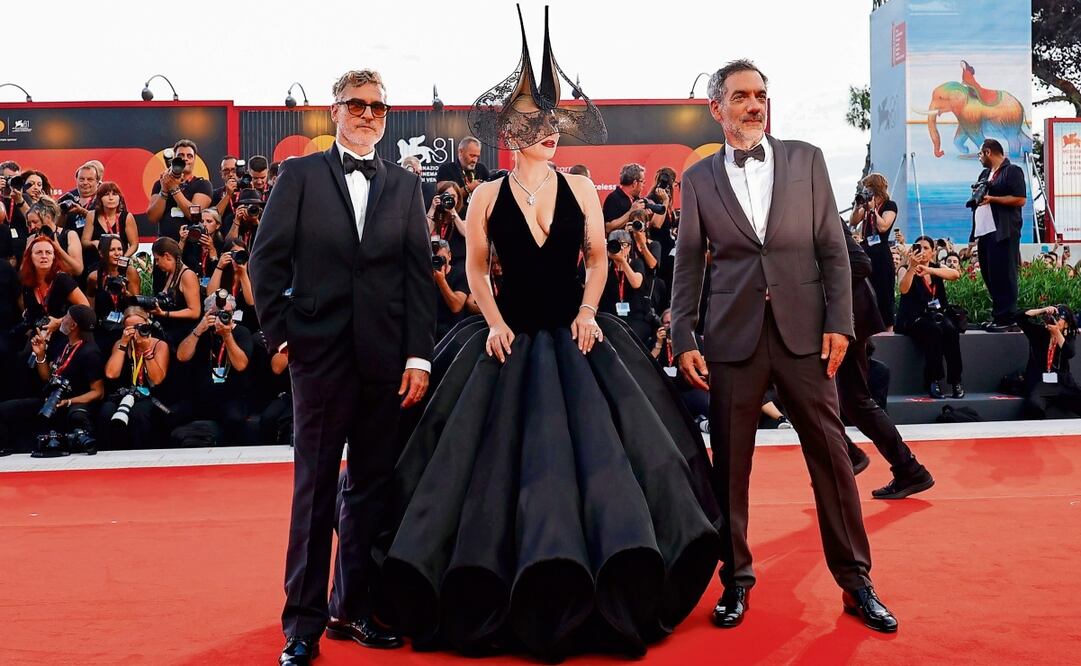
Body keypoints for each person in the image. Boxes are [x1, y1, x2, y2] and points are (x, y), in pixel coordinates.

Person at [370, 8, 720, 661]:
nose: (551, 131)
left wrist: (590, 311)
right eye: (537, 121)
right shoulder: (482, 198)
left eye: (554, 121)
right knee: (482, 473)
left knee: (610, 465)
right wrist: (496, 322)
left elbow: (594, 259)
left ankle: (611, 585)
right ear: (512, 131)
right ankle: (491, 589)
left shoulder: (582, 191)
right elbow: (474, 268)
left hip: (578, 339)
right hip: (504, 342)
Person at [670, 59, 896, 633]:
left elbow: (832, 251)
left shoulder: (807, 160)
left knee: (833, 461)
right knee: (731, 471)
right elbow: (689, 263)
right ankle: (736, 582)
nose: (755, 105)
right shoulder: (697, 180)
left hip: (805, 336)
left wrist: (840, 323)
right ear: (717, 109)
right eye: (741, 96)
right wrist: (682, 336)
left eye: (761, 95)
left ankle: (857, 582)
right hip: (730, 338)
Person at [249, 68, 436, 666]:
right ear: (334, 111)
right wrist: (281, 337)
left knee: (371, 490)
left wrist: (417, 355)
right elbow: (266, 262)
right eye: (357, 104)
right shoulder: (299, 175)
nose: (368, 114)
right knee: (315, 490)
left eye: (378, 107)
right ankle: (300, 624)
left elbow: (415, 278)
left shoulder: (406, 187)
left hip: (386, 361)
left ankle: (351, 608)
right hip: (320, 357)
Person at [838, 223, 935, 498]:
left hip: (844, 319)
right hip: (836, 319)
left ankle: (854, 455)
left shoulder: (814, 206)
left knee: (848, 400)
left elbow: (860, 263)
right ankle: (907, 469)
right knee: (852, 401)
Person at [0, 304, 103, 455]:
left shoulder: (90, 353)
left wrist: (68, 402)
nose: (62, 320)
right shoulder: (64, 344)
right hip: (50, 401)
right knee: (4, 410)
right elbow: (47, 378)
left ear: (73, 325)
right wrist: (41, 355)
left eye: (66, 316)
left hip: (69, 405)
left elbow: (98, 392)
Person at [896, 235, 964, 398]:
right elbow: (903, 289)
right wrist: (913, 268)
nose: (923, 251)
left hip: (937, 315)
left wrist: (929, 270)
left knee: (951, 330)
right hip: (914, 317)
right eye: (919, 247)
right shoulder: (905, 268)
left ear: (933, 252)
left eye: (926, 248)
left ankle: (956, 380)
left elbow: (955, 275)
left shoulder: (936, 268)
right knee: (933, 332)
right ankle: (933, 380)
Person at [970, 138, 1026, 332]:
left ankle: (1008, 318)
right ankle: (998, 315)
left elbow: (1020, 199)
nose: (979, 158)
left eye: (979, 154)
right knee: (990, 274)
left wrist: (993, 198)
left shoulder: (1012, 171)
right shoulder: (986, 173)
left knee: (1004, 274)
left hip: (1003, 230)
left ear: (988, 152)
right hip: (985, 231)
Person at [99, 306, 170, 449]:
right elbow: (111, 374)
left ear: (147, 324)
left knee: (139, 414)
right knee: (107, 411)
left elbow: (157, 379)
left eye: (140, 326)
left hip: (149, 395)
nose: (136, 331)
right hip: (125, 392)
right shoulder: (120, 344)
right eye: (131, 328)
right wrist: (124, 343)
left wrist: (146, 351)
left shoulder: (160, 345)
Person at [17, 236, 90, 344]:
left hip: (66, 334)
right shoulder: (27, 282)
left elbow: (85, 307)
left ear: (54, 257)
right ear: (30, 257)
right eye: (39, 252)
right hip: (40, 334)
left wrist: (60, 322)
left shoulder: (62, 279)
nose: (44, 256)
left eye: (48, 252)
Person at [849, 172, 898, 330]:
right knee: (866, 290)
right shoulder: (866, 204)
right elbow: (853, 221)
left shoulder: (890, 205)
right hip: (866, 251)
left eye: (868, 188)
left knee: (884, 292)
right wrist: (858, 206)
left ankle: (888, 328)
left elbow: (883, 226)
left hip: (881, 253)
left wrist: (872, 211)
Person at [1016, 305, 1081, 419]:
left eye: (1058, 318)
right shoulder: (1038, 332)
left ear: (1066, 324)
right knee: (1034, 406)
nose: (1054, 320)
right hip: (1041, 382)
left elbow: (1069, 353)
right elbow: (1019, 317)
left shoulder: (1068, 336)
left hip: (1063, 382)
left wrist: (1057, 333)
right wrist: (1042, 310)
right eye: (1053, 317)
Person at [147, 139, 214, 240]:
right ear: (174, 159)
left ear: (194, 160)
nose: (185, 159)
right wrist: (164, 190)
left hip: (192, 244)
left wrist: (174, 188)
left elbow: (194, 216)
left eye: (189, 156)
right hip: (165, 244)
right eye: (181, 156)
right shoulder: (160, 184)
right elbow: (152, 217)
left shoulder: (203, 184)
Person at [86, 235, 142, 349]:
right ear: (102, 253)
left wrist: (127, 294)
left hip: (125, 329)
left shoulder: (130, 272)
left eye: (119, 249)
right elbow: (89, 299)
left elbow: (137, 304)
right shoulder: (94, 277)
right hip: (103, 330)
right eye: (112, 250)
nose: (117, 253)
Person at [148, 237, 202, 344]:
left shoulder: (187, 276)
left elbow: (195, 312)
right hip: (168, 333)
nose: (157, 264)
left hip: (183, 336)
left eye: (157, 259)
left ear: (167, 256)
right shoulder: (169, 274)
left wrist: (165, 314)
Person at [81, 182, 139, 272]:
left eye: (114, 194)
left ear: (119, 198)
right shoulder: (92, 215)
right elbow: (84, 241)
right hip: (97, 263)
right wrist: (94, 243)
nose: (111, 198)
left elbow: (134, 244)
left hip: (120, 262)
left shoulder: (127, 217)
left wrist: (123, 258)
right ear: (100, 199)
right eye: (107, 194)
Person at [26, 198, 84, 277]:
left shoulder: (70, 235)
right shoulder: (31, 238)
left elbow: (78, 270)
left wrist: (58, 249)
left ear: (48, 218)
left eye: (35, 222)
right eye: (29, 223)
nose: (32, 227)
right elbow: (25, 270)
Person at [435, 135, 490, 215]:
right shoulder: (446, 169)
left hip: (478, 216)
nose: (475, 160)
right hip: (454, 218)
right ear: (460, 152)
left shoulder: (481, 169)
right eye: (472, 156)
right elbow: (443, 198)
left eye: (477, 156)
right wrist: (469, 188)